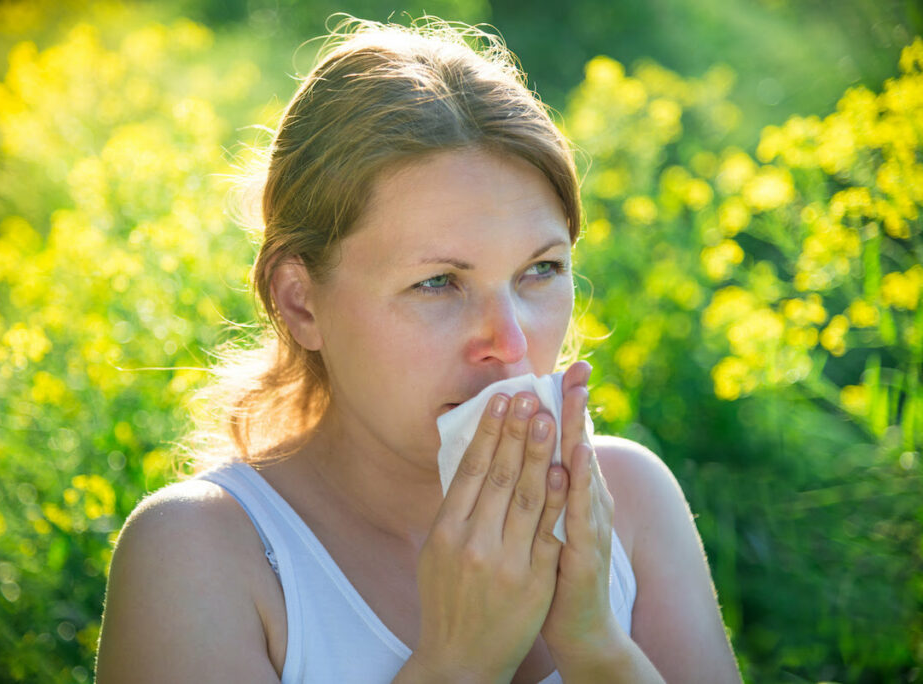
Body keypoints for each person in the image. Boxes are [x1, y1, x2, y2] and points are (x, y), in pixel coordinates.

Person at [95, 17, 742, 683]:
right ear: (300, 302)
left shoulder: (631, 499)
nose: (511, 343)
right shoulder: (204, 555)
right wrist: (459, 663)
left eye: (540, 270)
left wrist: (596, 647)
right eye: (437, 283)